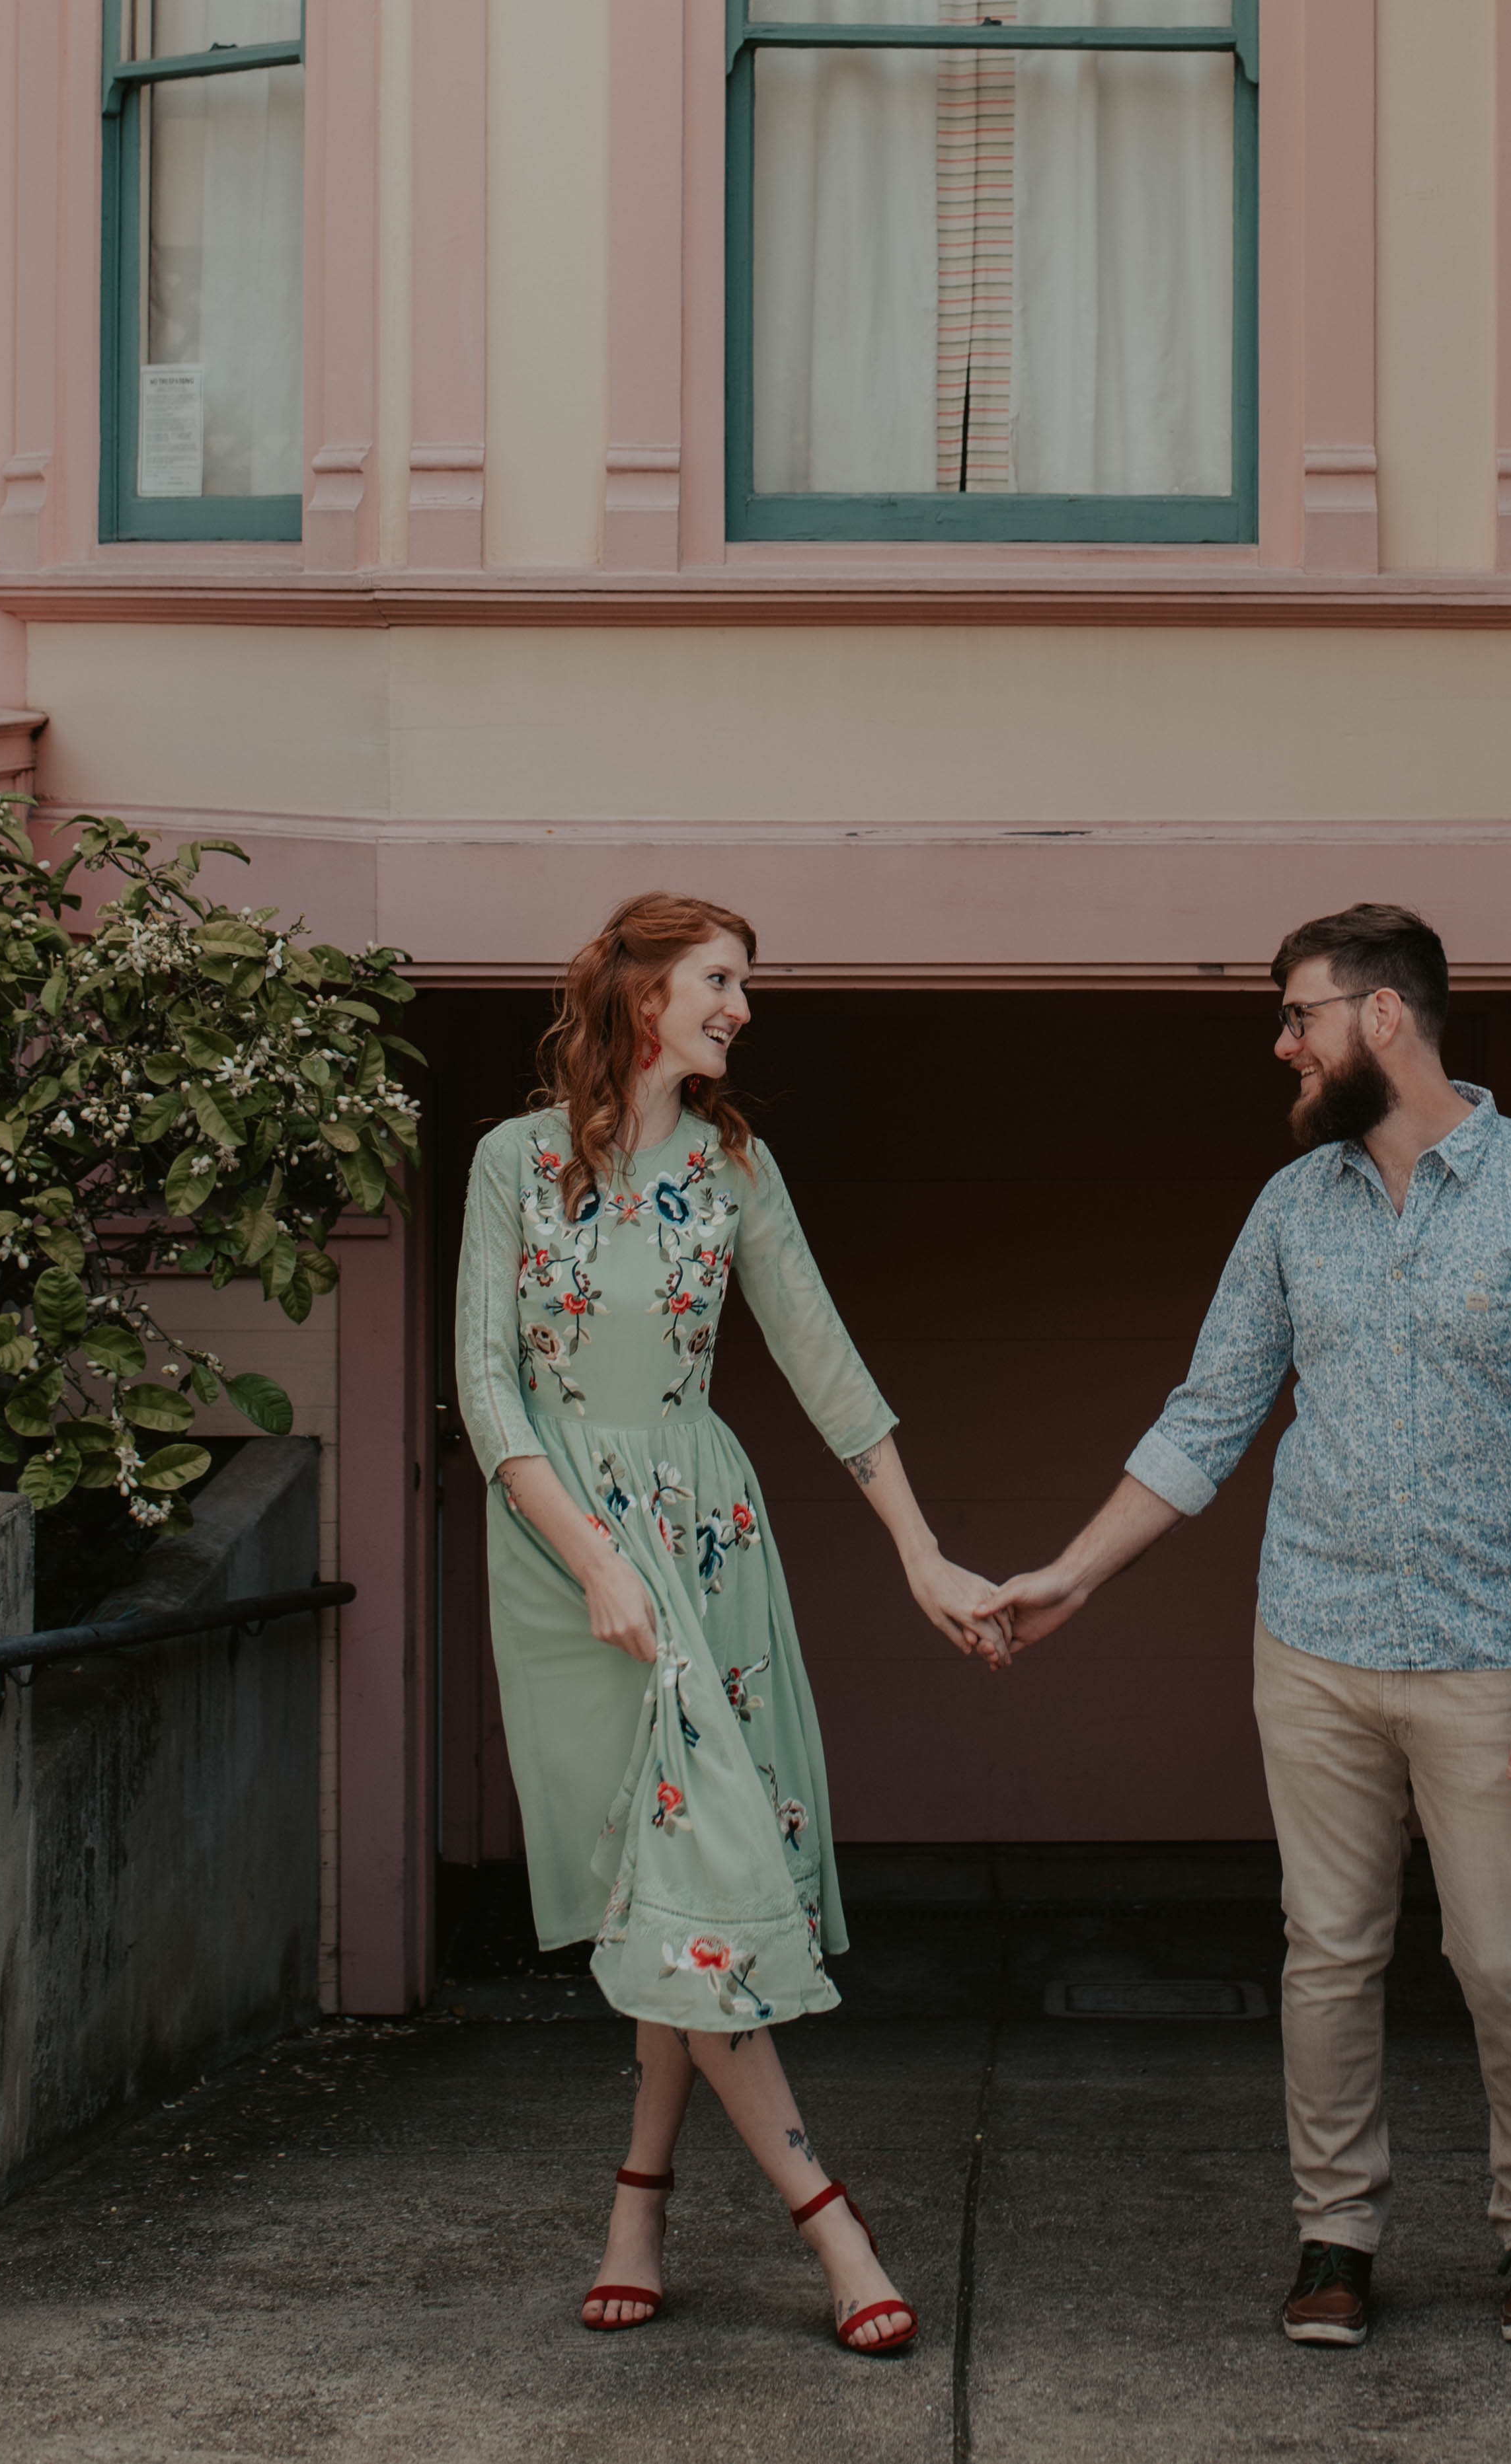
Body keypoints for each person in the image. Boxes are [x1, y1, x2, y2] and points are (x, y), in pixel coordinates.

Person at [983, 903, 1511, 2356]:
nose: (1283, 1044)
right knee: (1327, 1952)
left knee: (1508, 1961)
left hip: (1490, 1652)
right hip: (1314, 1644)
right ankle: (1336, 2236)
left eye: (1300, 1014)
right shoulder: (1293, 1209)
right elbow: (1207, 1416)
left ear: (1382, 1016)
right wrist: (1070, 1575)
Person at [452, 889, 1008, 2354]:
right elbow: (489, 1388)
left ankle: (645, 2202)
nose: (742, 1009)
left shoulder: (733, 1165)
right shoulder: (513, 1161)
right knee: (671, 1883)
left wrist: (921, 1552)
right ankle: (826, 2217)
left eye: (743, 984)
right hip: (565, 1553)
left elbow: (826, 1361)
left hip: (705, 1540)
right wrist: (593, 1560)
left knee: (686, 1884)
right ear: (645, 995)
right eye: (720, 980)